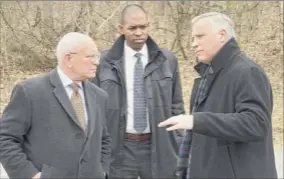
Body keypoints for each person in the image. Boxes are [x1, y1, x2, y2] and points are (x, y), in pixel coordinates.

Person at [159, 12, 278, 179]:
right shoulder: (208, 74)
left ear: (222, 35)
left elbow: (256, 123)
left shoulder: (247, 72)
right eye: (193, 38)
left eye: (200, 36)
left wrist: (195, 120)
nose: (194, 44)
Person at [91, 4, 185, 179]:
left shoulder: (167, 60)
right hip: (119, 149)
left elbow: (177, 105)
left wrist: (177, 141)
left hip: (158, 146)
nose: (139, 32)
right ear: (121, 29)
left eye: (143, 27)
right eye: (132, 28)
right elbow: (93, 108)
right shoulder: (103, 62)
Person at [0, 32, 111, 179]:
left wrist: (102, 170)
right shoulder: (30, 91)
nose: (97, 62)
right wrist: (31, 175)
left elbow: (104, 139)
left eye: (97, 56)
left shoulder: (99, 95)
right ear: (69, 59)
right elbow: (5, 138)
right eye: (90, 56)